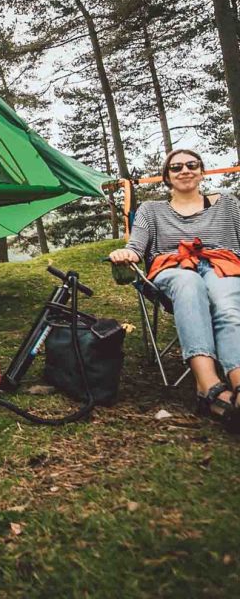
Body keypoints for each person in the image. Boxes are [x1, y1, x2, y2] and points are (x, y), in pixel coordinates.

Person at [109, 149, 240, 431]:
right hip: (174, 269)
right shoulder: (151, 210)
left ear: (202, 171)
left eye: (192, 165)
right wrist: (127, 253)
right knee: (188, 283)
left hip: (223, 265)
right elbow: (136, 245)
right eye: (176, 167)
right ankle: (208, 386)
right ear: (167, 177)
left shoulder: (227, 204)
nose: (185, 170)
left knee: (227, 301)